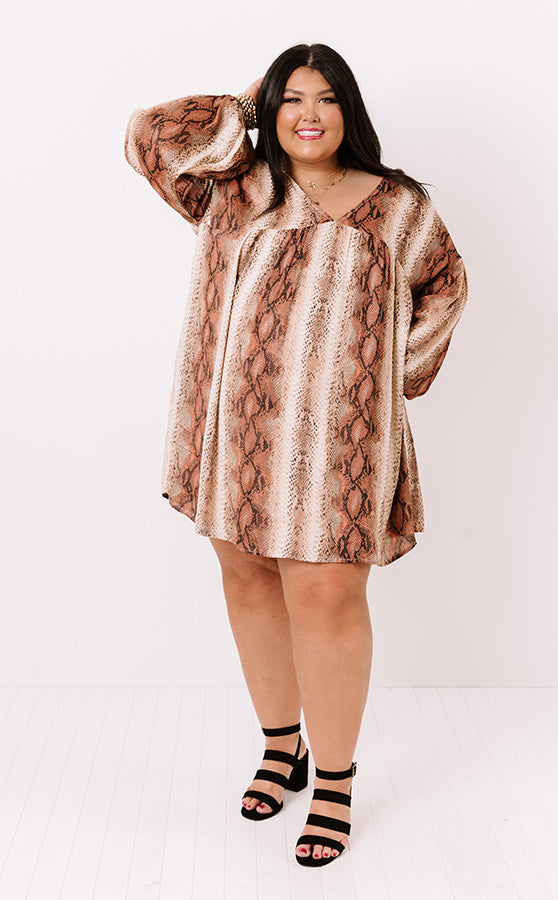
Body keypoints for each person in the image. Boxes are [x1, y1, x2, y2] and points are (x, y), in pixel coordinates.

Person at [124, 42, 468, 867]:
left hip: (342, 440)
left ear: (350, 110)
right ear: (271, 109)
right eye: (291, 99)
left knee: (327, 597)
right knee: (247, 578)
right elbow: (145, 136)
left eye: (326, 98)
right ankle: (283, 747)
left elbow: (446, 284)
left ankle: (336, 781)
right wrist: (241, 110)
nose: (309, 115)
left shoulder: (398, 207)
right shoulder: (232, 189)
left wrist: (389, 378)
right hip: (234, 430)